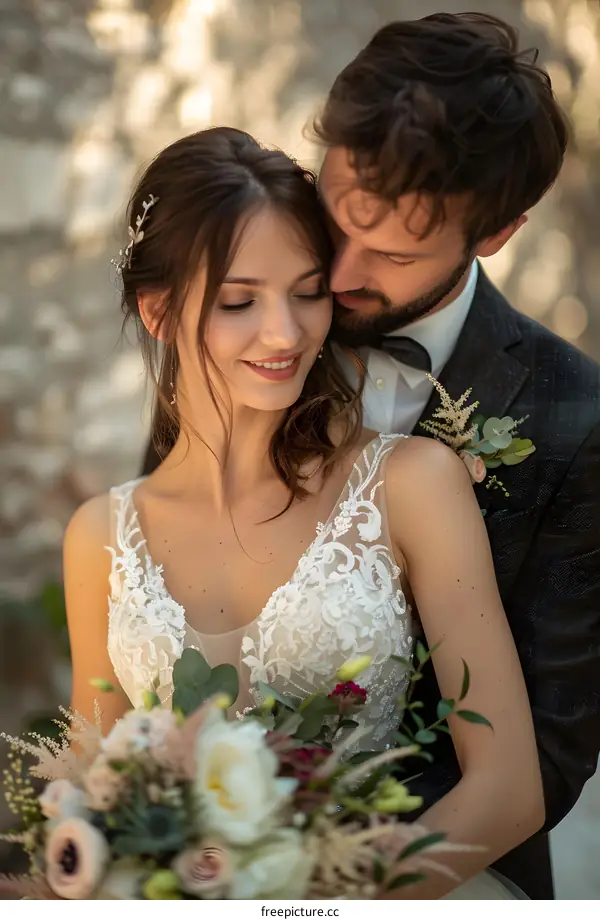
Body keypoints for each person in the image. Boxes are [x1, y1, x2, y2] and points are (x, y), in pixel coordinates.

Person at [141, 11, 600, 901]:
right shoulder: (247, 322)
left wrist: (306, 889)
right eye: (335, 212)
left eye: (390, 253)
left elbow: (545, 758)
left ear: (498, 232)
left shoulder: (575, 419)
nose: (334, 273)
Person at [64, 126, 543, 900]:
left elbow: (512, 788)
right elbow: (100, 801)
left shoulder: (412, 485)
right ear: (158, 312)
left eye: (309, 290)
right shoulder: (98, 538)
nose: (286, 332)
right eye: (238, 301)